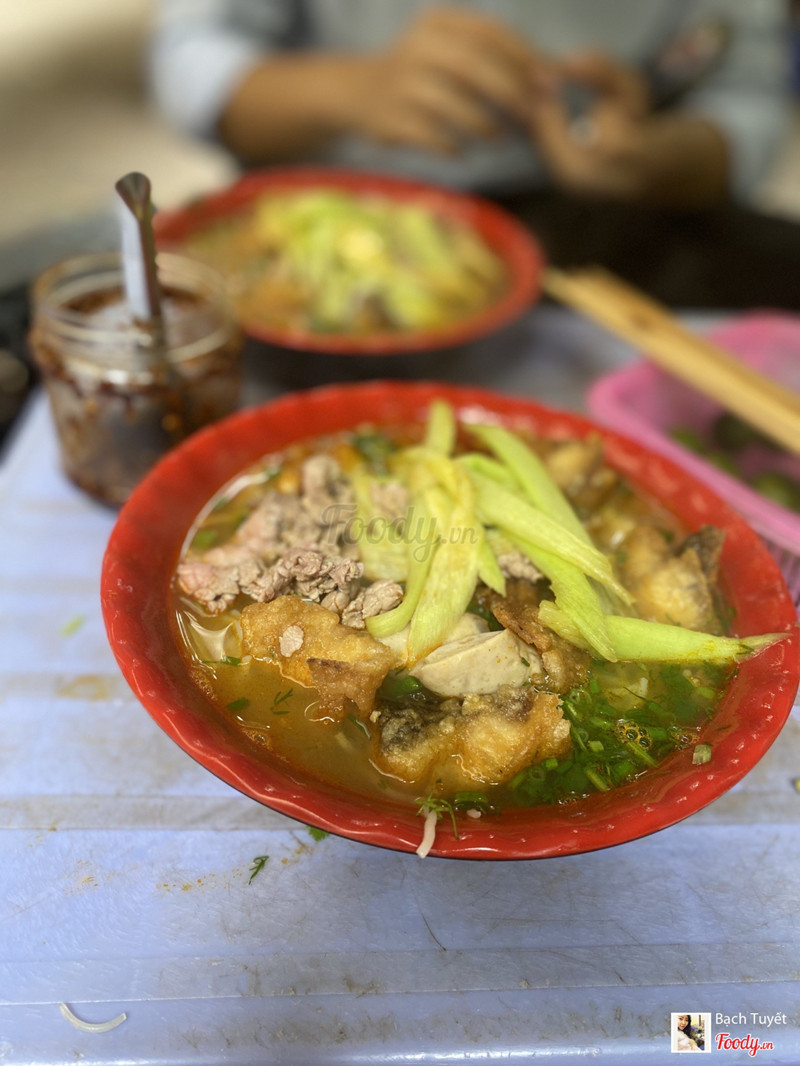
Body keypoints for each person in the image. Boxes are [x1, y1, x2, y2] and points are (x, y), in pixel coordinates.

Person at [150, 1, 800, 309]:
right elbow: (191, 58)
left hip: (587, 220)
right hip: (315, 201)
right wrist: (353, 90)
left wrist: (656, 156)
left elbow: (746, 93)